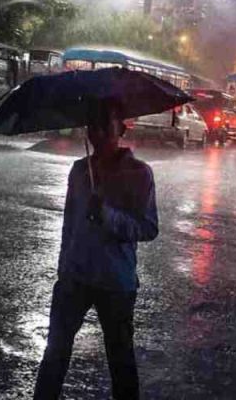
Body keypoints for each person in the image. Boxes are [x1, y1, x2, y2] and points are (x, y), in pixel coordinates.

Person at [33, 100, 159, 400]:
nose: (98, 132)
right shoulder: (79, 171)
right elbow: (69, 225)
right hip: (75, 278)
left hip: (115, 282)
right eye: (93, 125)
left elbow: (148, 228)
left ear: (121, 129)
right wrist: (63, 269)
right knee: (55, 354)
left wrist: (107, 214)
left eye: (106, 125)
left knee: (120, 360)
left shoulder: (139, 173)